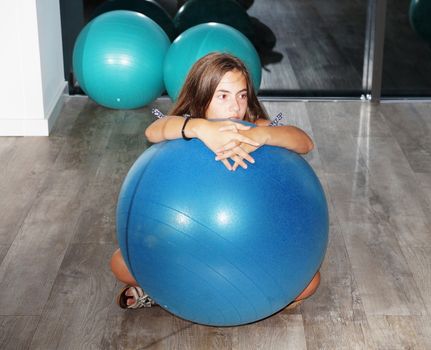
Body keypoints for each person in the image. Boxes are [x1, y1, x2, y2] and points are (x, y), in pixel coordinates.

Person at [110, 52, 320, 310]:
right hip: (187, 239)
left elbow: (305, 142)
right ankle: (172, 291)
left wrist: (264, 135)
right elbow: (153, 130)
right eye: (223, 96)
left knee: (310, 282)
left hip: (248, 243)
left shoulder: (253, 127)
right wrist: (199, 128)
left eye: (242, 95)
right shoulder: (188, 124)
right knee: (120, 263)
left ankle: (176, 294)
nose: (235, 107)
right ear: (202, 97)